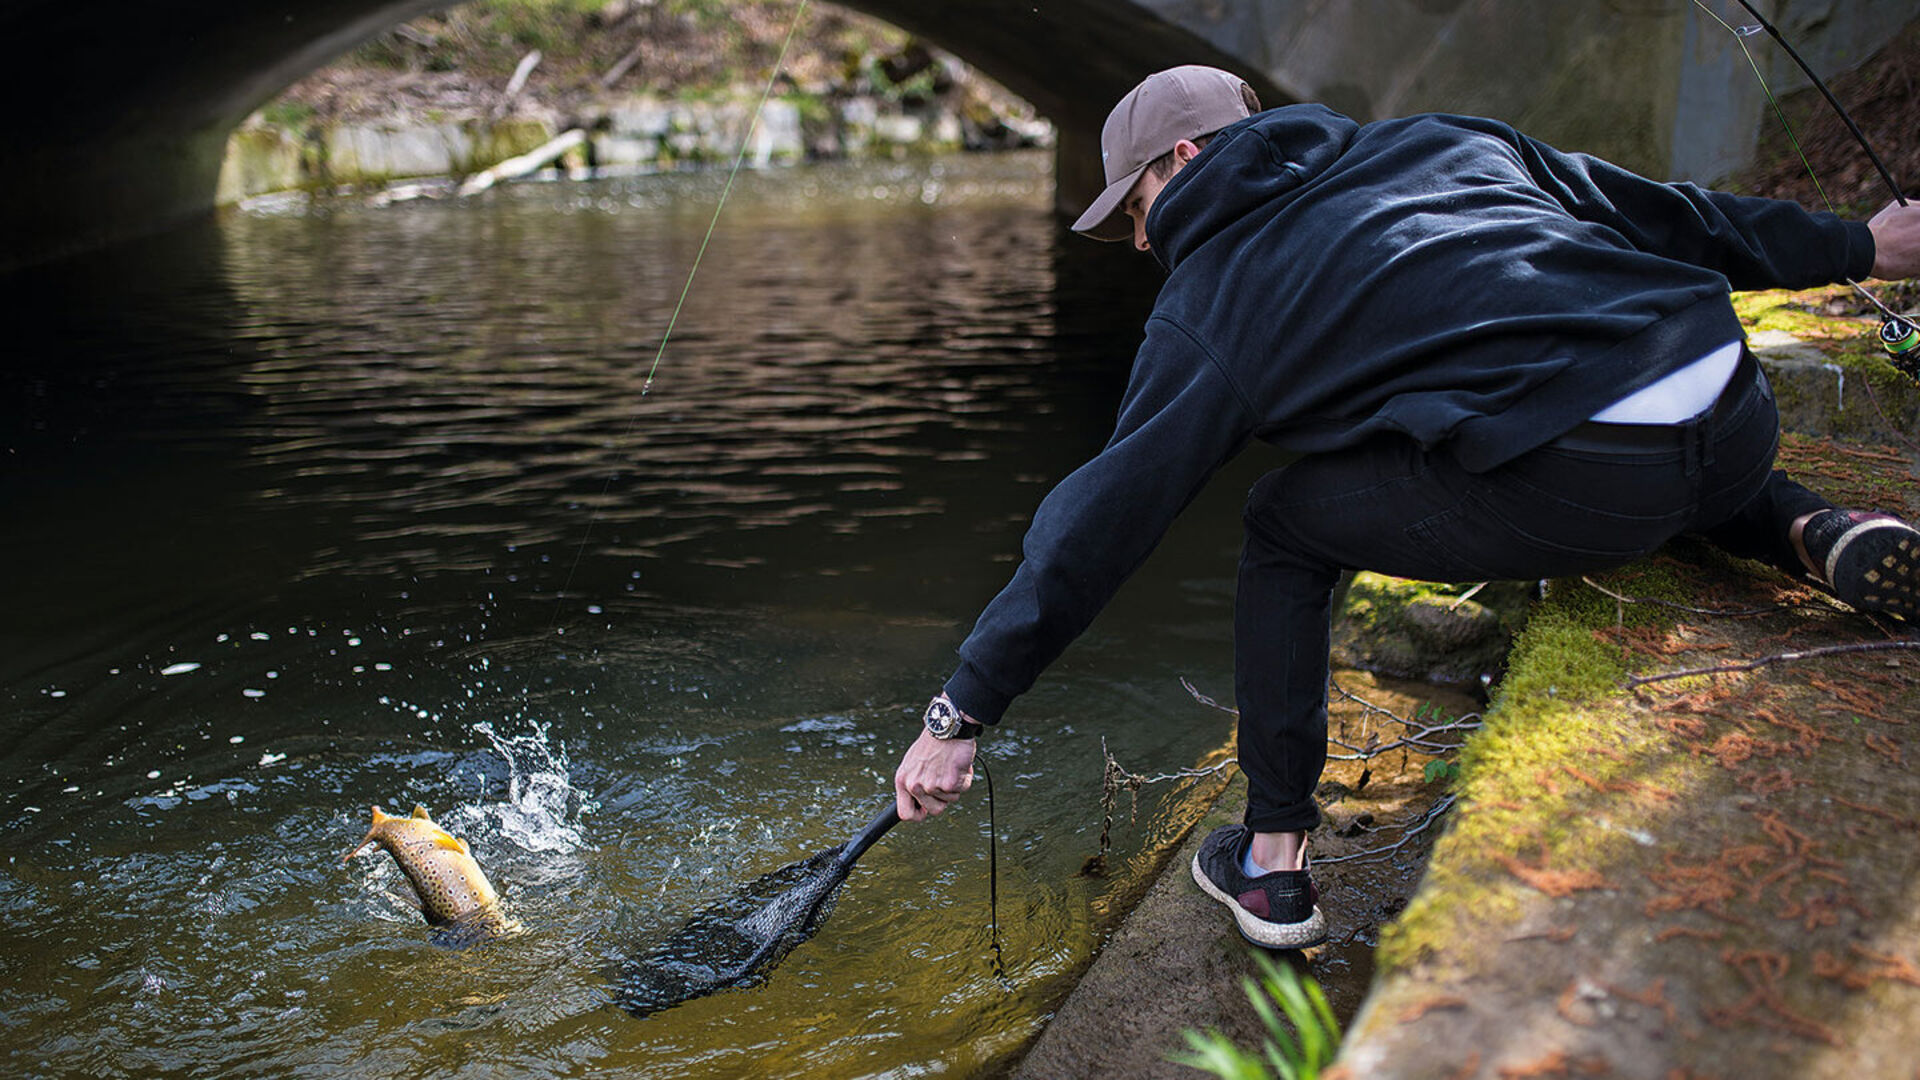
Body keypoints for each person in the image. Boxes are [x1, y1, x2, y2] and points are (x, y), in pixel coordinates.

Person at [893, 65, 1920, 949]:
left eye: (1132, 206)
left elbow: (1103, 520)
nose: (1134, 239)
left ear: (1187, 158)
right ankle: (1806, 529)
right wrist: (1858, 246)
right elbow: (1668, 216)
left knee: (1282, 525)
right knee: (1611, 422)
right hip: (1727, 397)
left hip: (1590, 477)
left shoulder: (1210, 303)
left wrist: (963, 709)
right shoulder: (1448, 139)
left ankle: (1273, 858)